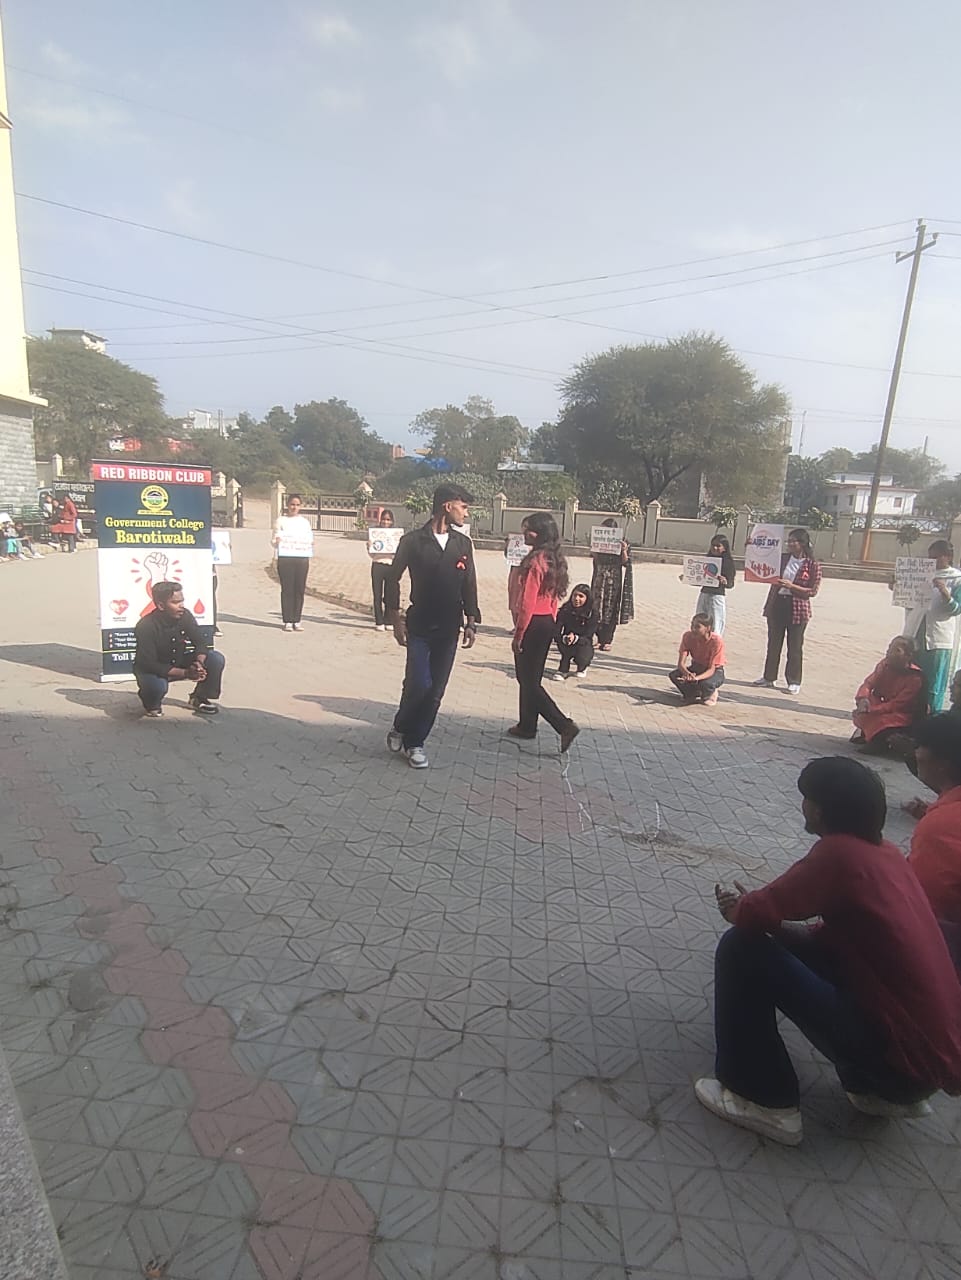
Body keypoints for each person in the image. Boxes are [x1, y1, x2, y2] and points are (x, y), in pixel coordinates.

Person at [695, 757, 961, 1146]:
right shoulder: (884, 854)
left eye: (806, 799)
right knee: (791, 943)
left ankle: (763, 1097)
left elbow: (755, 912)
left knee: (741, 948)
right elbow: (806, 930)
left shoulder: (839, 854)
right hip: (922, 1067)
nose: (803, 806)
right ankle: (872, 1088)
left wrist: (742, 910)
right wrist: (763, 916)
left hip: (902, 1061)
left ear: (819, 809)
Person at [384, 484, 479, 769]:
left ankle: (415, 742)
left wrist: (471, 620)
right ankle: (401, 725)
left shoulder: (462, 544)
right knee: (419, 683)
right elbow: (392, 578)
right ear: (447, 506)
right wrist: (395, 618)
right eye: (463, 506)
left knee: (436, 690)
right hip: (420, 624)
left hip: (450, 627)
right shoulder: (413, 541)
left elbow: (469, 583)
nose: (466, 513)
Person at [508, 513, 580, 750]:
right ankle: (527, 725)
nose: (524, 534)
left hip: (532, 622)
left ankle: (563, 725)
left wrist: (519, 633)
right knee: (532, 677)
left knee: (527, 680)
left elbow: (527, 602)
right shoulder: (554, 559)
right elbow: (554, 599)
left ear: (538, 534)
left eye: (528, 530)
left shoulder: (534, 562)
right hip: (547, 621)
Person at [133, 581, 226, 719]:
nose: (181, 605)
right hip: (152, 669)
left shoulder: (185, 616)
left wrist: (199, 665)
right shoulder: (146, 626)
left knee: (215, 658)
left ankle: (199, 698)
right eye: (175, 602)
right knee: (157, 688)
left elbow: (201, 642)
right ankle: (151, 702)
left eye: (182, 601)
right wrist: (186, 673)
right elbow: (149, 663)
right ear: (161, 605)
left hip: (178, 661)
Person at [907, 714, 961, 925]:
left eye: (921, 746)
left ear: (943, 764)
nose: (916, 752)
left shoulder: (939, 826)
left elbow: (922, 904)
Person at [754, 527, 822, 694]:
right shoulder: (781, 559)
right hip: (778, 604)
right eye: (789, 541)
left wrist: (792, 586)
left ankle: (794, 680)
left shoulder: (812, 565)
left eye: (794, 541)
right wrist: (752, 545)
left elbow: (812, 591)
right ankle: (769, 677)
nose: (790, 544)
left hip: (797, 608)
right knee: (773, 644)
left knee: (795, 646)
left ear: (802, 543)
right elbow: (760, 557)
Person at [906, 541, 961, 713]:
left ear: (948, 557)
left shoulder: (956, 578)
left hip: (937, 639)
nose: (932, 561)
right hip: (915, 633)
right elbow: (910, 602)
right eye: (930, 557)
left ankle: (932, 716)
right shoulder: (921, 574)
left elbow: (956, 609)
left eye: (937, 557)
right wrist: (899, 588)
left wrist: (945, 593)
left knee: (933, 681)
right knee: (910, 678)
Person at [850, 635, 926, 753]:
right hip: (881, 707)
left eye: (896, 650)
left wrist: (871, 710)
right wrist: (863, 699)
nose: (889, 652)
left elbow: (897, 705)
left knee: (883, 721)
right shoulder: (884, 665)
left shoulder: (915, 678)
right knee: (867, 706)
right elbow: (869, 683)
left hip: (901, 715)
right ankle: (869, 736)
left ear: (908, 656)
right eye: (890, 647)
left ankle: (879, 743)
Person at [271, 493, 314, 631]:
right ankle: (288, 620)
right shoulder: (281, 521)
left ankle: (297, 619)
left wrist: (310, 543)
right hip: (286, 558)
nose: (294, 507)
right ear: (287, 505)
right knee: (287, 589)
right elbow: (274, 540)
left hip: (301, 558)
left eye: (297, 505)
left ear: (300, 506)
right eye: (292, 504)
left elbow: (309, 538)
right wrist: (277, 542)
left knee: (299, 589)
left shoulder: (304, 522)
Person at [591, 518, 634, 651]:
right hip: (599, 578)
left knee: (611, 607)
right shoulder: (599, 540)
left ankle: (607, 640)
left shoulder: (622, 542)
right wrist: (594, 550)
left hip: (613, 580)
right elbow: (595, 560)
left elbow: (626, 563)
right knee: (597, 607)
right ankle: (599, 639)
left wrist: (624, 550)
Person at [669, 612, 727, 705]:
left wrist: (696, 678)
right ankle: (692, 694)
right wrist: (687, 674)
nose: (693, 629)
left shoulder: (716, 641)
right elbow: (681, 664)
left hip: (715, 670)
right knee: (674, 675)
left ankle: (710, 693)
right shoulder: (687, 636)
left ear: (708, 628)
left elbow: (711, 669)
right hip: (697, 666)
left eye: (697, 627)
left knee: (706, 684)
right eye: (692, 625)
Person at [554, 584, 597, 681]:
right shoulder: (565, 609)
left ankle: (582, 667)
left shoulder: (592, 613)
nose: (577, 599)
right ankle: (563, 669)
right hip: (566, 639)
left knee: (583, 654)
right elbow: (557, 629)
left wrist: (576, 638)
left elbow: (589, 634)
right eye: (575, 595)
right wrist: (563, 638)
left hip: (583, 641)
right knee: (566, 650)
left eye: (581, 596)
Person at [696, 533, 736, 635]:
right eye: (713, 545)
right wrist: (688, 578)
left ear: (724, 547)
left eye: (718, 546)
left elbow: (731, 583)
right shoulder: (706, 561)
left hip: (716, 597)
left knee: (715, 625)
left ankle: (714, 644)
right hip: (704, 594)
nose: (715, 548)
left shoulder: (728, 563)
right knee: (700, 622)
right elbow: (699, 580)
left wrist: (725, 581)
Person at [369, 509, 397, 631]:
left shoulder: (395, 535)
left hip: (391, 566)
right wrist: (370, 547)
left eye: (388, 519)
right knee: (377, 595)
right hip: (377, 565)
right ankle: (379, 621)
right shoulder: (375, 534)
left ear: (392, 521)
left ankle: (388, 620)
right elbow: (372, 555)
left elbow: (398, 554)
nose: (386, 522)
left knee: (389, 595)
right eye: (384, 519)